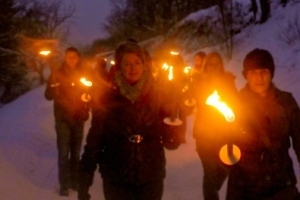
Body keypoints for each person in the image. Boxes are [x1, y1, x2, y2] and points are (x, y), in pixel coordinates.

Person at [77, 41, 181, 200]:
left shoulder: (158, 94)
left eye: (137, 62)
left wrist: (173, 131)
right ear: (119, 67)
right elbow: (95, 140)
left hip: (150, 173)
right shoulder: (106, 97)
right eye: (127, 63)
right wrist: (85, 177)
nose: (133, 68)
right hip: (116, 174)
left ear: (144, 64)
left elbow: (170, 142)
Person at [226, 48, 300, 199]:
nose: (259, 77)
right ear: (246, 75)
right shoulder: (234, 104)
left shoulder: (286, 102)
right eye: (253, 72)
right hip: (245, 187)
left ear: (271, 73)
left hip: (280, 186)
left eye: (264, 71)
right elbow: (222, 145)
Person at [44, 47, 90, 196]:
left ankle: (74, 180)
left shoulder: (84, 73)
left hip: (78, 117)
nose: (71, 59)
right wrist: (52, 89)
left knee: (76, 153)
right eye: (68, 56)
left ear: (78, 58)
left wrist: (87, 97)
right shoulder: (56, 74)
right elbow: (48, 96)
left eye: (73, 56)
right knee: (64, 152)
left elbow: (91, 92)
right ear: (65, 58)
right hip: (63, 118)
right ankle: (64, 184)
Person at [192, 51, 238, 200]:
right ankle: (211, 193)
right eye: (210, 64)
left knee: (225, 168)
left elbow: (236, 103)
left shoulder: (228, 82)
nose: (213, 67)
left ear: (221, 66)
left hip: (224, 135)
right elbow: (191, 102)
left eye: (216, 64)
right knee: (210, 172)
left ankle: (211, 189)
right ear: (205, 66)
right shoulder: (198, 82)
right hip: (204, 135)